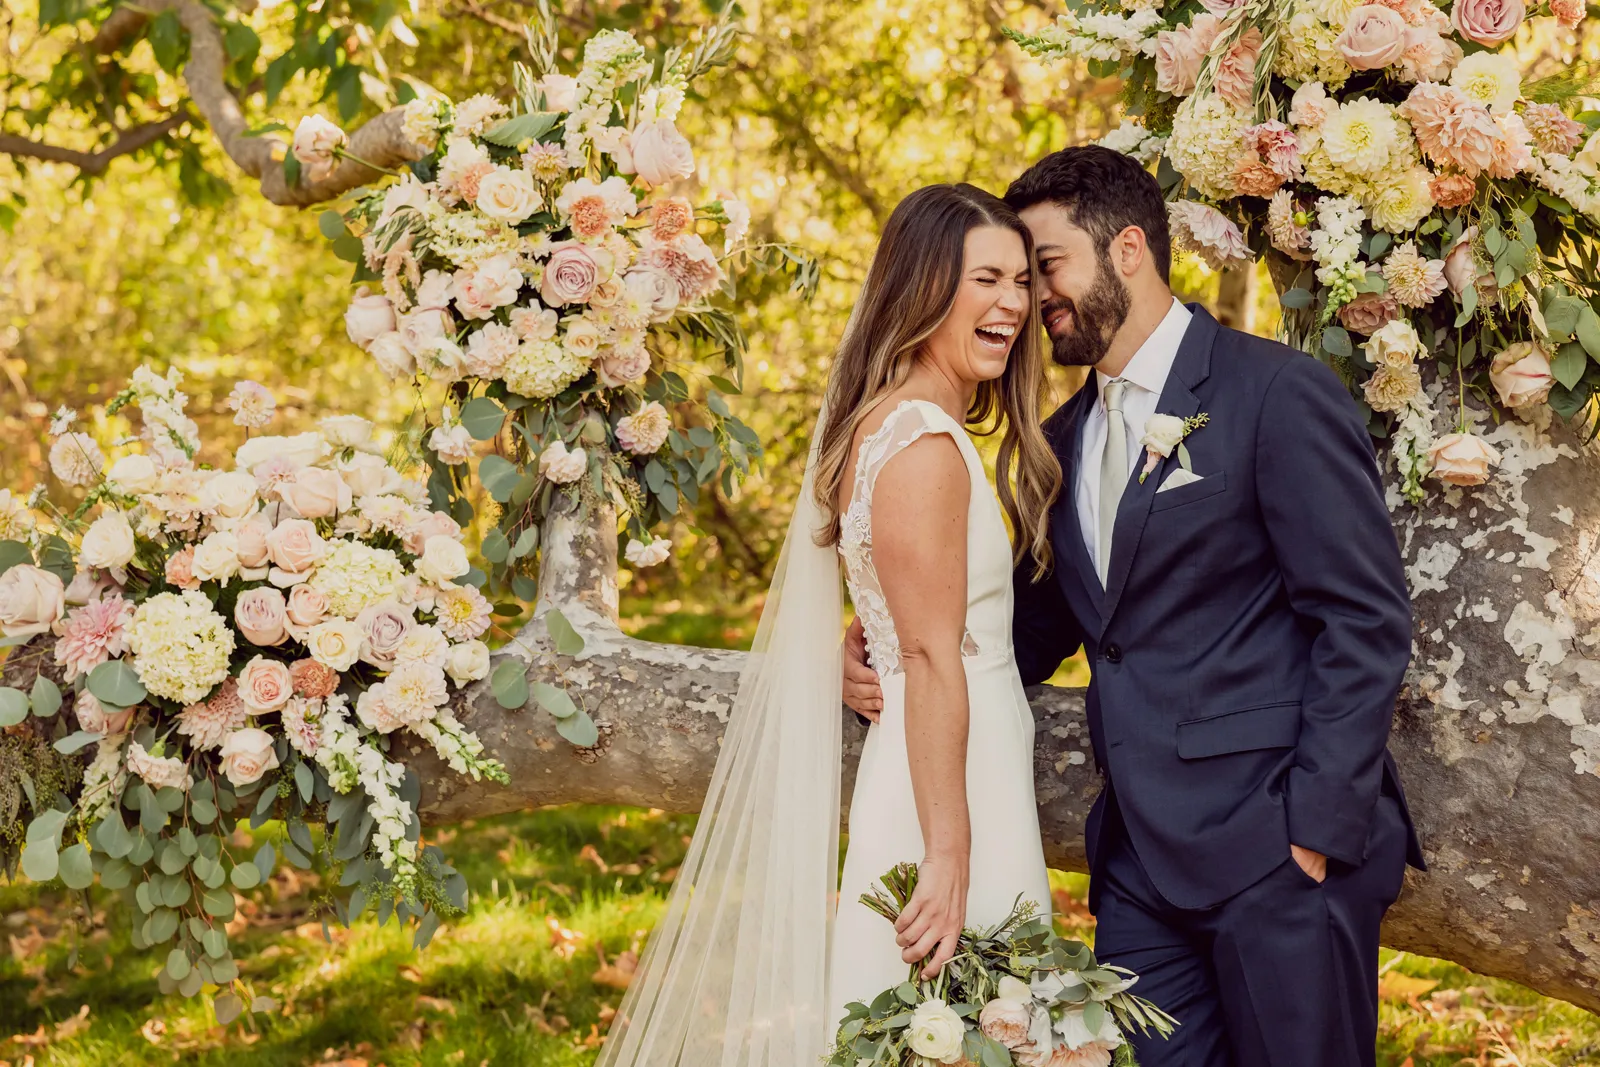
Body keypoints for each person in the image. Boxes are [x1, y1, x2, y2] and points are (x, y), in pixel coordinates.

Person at [845, 146, 1427, 1067]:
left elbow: (1365, 618)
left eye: (1045, 268)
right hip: (1139, 873)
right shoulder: (1060, 441)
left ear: (1126, 250)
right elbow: (1021, 629)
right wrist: (877, 642)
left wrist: (1315, 831)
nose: (1032, 300)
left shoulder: (1273, 393)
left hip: (1279, 856)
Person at [596, 183, 1063, 1066]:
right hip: (950, 791)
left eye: (1022, 282)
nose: (1014, 303)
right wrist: (950, 851)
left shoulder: (889, 426)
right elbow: (928, 655)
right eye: (987, 280)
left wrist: (862, 641)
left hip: (946, 763)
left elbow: (902, 618)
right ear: (926, 287)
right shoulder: (922, 440)